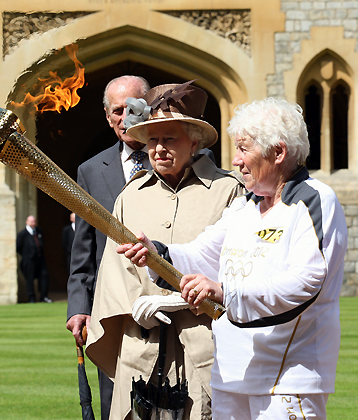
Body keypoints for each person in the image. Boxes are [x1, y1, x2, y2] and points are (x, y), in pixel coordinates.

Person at [118, 97, 347, 420]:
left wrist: (226, 293)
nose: (236, 161)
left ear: (278, 153)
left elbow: (307, 283)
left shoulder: (314, 200)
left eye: (243, 148)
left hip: (288, 377)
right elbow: (202, 253)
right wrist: (159, 254)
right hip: (231, 373)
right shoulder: (246, 205)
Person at [85, 81, 245, 420]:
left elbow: (236, 270)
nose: (158, 148)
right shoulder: (131, 196)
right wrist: (135, 306)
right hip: (142, 348)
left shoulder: (228, 191)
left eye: (169, 138)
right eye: (152, 140)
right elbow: (114, 273)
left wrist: (174, 299)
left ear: (194, 140)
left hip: (203, 348)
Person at [66, 75, 151, 420]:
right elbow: (84, 250)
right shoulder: (90, 171)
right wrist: (78, 307)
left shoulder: (183, 160)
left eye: (133, 108)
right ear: (107, 116)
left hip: (168, 304)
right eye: (117, 110)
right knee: (115, 406)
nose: (125, 117)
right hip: (112, 309)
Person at [16, 215, 52, 303]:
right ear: (27, 222)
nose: (33, 223)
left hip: (40, 259)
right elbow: (18, 247)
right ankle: (31, 298)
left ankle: (44, 297)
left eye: (34, 221)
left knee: (44, 276)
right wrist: (27, 255)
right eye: (32, 221)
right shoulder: (22, 234)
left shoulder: (39, 231)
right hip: (29, 260)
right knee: (30, 279)